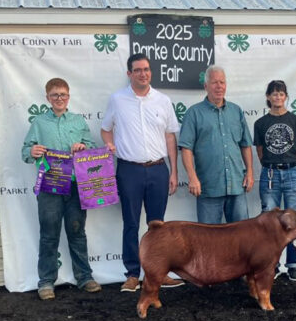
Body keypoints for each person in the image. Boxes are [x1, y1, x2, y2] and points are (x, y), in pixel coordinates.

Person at [101, 53, 185, 293]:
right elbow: (106, 129)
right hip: (129, 170)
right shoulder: (117, 100)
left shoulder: (163, 100)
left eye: (146, 69)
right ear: (129, 74)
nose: (143, 73)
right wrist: (109, 145)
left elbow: (170, 136)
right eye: (137, 70)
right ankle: (131, 274)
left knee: (157, 226)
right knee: (130, 223)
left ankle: (158, 273)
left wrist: (173, 171)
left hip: (158, 169)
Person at [21, 77, 100, 300]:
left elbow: (92, 147)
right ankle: (46, 281)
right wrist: (32, 151)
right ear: (47, 97)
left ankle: (84, 277)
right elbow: (25, 151)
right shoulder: (38, 123)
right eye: (55, 95)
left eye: (63, 94)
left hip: (75, 185)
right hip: (49, 186)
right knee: (49, 234)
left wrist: (83, 146)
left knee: (77, 231)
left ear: (68, 96)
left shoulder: (77, 121)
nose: (59, 99)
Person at [179, 65, 254, 223]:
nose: (219, 86)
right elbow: (186, 149)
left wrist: (250, 173)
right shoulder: (194, 113)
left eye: (222, 82)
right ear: (206, 86)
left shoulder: (236, 111)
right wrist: (192, 178)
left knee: (241, 238)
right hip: (208, 188)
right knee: (209, 241)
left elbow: (245, 145)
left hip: (237, 186)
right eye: (214, 82)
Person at [253, 80, 296, 281]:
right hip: (270, 174)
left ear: (286, 97)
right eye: (274, 94)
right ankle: (270, 265)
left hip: (293, 171)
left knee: (294, 219)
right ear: (268, 97)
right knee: (269, 221)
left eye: (281, 94)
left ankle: (293, 264)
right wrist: (273, 164)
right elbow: (260, 150)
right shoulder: (260, 124)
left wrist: (287, 162)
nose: (277, 97)